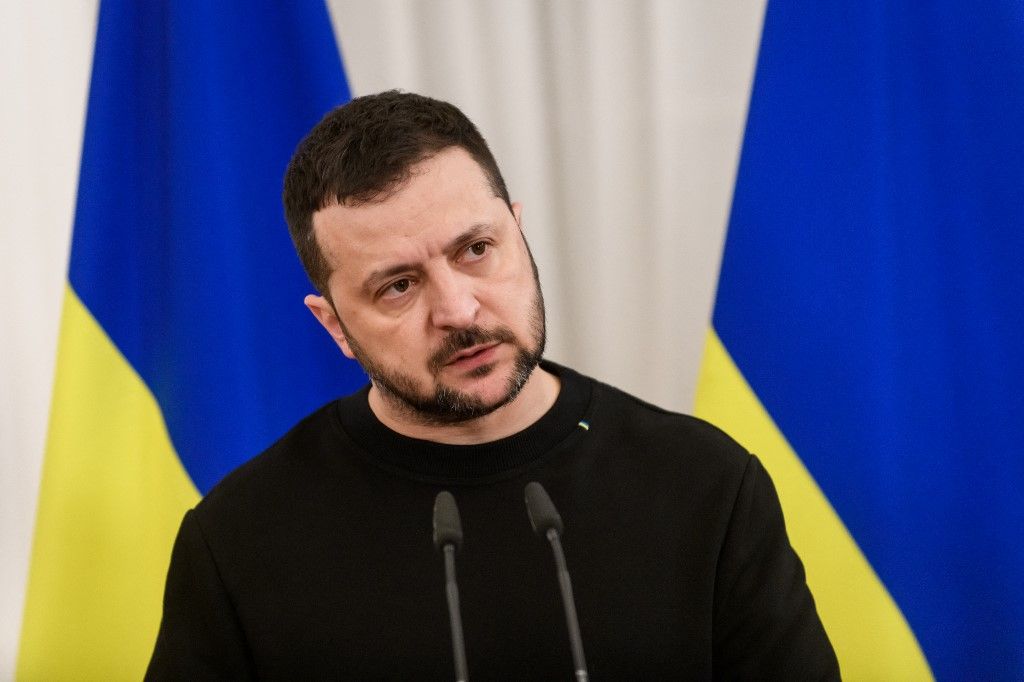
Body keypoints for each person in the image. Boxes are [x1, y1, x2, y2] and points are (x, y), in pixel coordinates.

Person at [146, 90, 839, 679]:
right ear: (334, 327)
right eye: (398, 286)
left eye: (476, 250)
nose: (458, 309)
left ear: (518, 229)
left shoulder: (706, 485)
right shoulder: (240, 540)